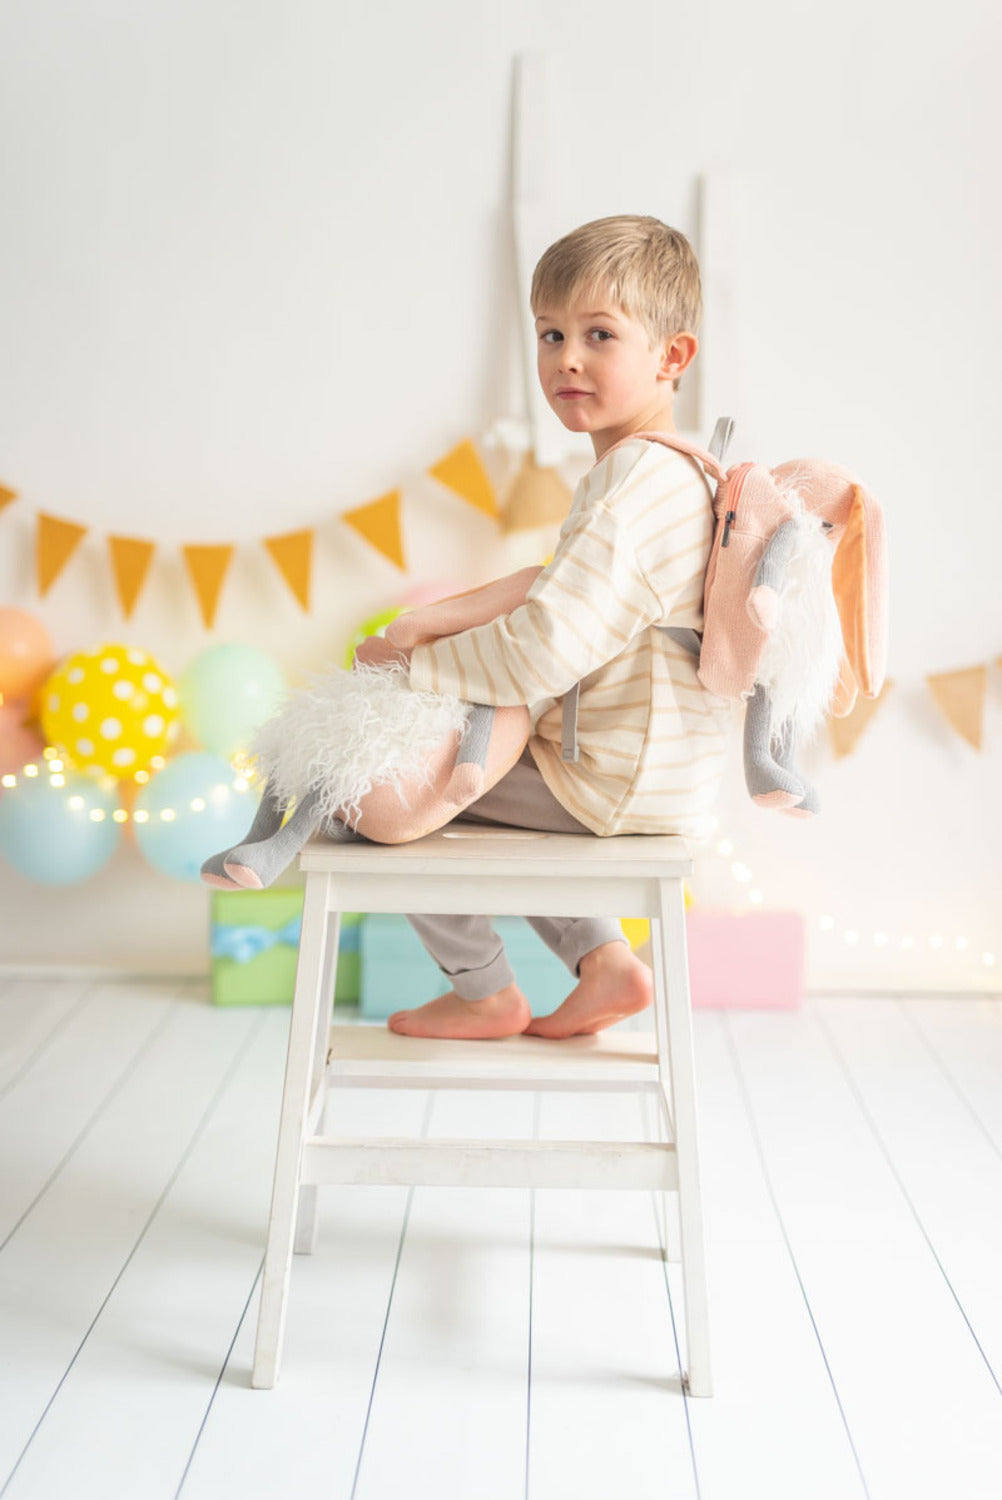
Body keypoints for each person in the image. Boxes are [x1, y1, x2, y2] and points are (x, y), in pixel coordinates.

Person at [354, 213, 733, 1041]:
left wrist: (411, 668)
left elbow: (544, 649)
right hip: (663, 767)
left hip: (612, 773)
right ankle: (606, 964)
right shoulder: (678, 471)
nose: (567, 357)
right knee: (481, 769)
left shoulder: (632, 487)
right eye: (551, 333)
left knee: (381, 793)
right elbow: (557, 610)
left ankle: (485, 990)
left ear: (672, 357)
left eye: (600, 335)